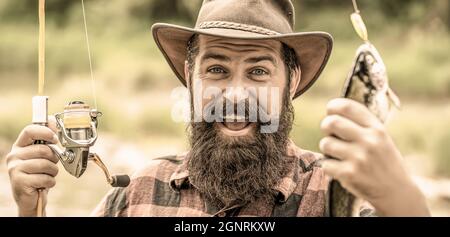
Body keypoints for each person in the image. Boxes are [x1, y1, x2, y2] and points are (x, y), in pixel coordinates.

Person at [6, 0, 430, 217]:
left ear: (292, 81)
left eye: (259, 71)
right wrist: (30, 209)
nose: (235, 93)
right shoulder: (136, 193)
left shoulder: (337, 192)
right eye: (216, 69)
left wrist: (405, 201)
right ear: (189, 78)